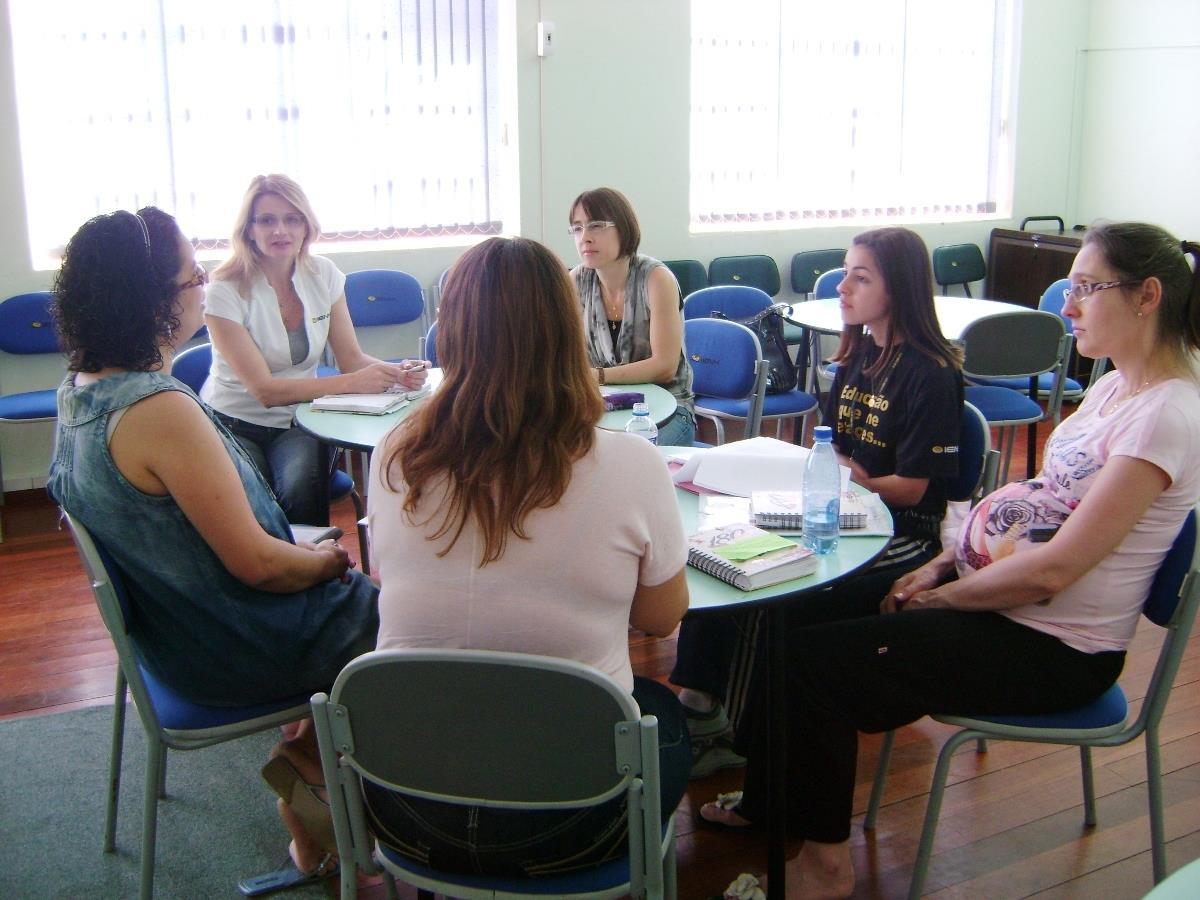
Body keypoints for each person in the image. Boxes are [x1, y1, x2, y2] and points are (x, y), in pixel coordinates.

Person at [712, 222, 1200, 900]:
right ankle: (777, 803)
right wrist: (943, 563)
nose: (1067, 304)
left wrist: (939, 599)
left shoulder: (1167, 415)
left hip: (1054, 647)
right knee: (794, 619)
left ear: (1148, 295)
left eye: (1087, 288)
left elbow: (1056, 569)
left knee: (811, 668)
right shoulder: (1118, 388)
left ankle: (824, 868)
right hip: (1005, 605)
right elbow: (1038, 498)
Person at [48, 207, 380, 890]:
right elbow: (257, 565)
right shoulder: (157, 411)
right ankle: (330, 790)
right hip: (231, 643)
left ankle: (311, 775)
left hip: (170, 634)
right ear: (156, 301)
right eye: (192, 276)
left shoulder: (79, 393)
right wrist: (326, 560)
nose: (203, 287)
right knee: (417, 626)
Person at [366, 235, 692, 877]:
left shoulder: (394, 455)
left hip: (406, 809)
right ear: (568, 330)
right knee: (667, 718)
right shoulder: (629, 462)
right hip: (574, 820)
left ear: (449, 332)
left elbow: (389, 575)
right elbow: (661, 620)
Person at [672, 227, 963, 778]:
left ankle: (745, 739)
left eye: (861, 276)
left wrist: (849, 480)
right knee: (727, 553)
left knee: (777, 596)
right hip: (840, 510)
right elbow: (832, 450)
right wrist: (829, 475)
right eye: (845, 272)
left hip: (901, 532)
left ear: (898, 287)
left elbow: (915, 490)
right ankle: (700, 704)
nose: (844, 288)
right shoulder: (857, 358)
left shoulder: (931, 371)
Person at [203, 174, 425, 526]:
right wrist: (352, 382)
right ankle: (268, 575)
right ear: (248, 228)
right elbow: (265, 392)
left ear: (307, 226)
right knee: (255, 501)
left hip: (299, 418)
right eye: (267, 220)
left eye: (292, 219)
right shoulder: (223, 290)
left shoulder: (324, 274)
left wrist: (397, 374)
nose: (281, 231)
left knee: (299, 489)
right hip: (234, 422)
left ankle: (315, 575)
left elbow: (351, 360)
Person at [569, 186, 696, 445]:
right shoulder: (576, 281)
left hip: (667, 411)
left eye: (596, 226)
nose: (585, 237)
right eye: (577, 227)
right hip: (601, 410)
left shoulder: (656, 278)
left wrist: (598, 375)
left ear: (624, 228)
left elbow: (664, 367)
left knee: (625, 461)